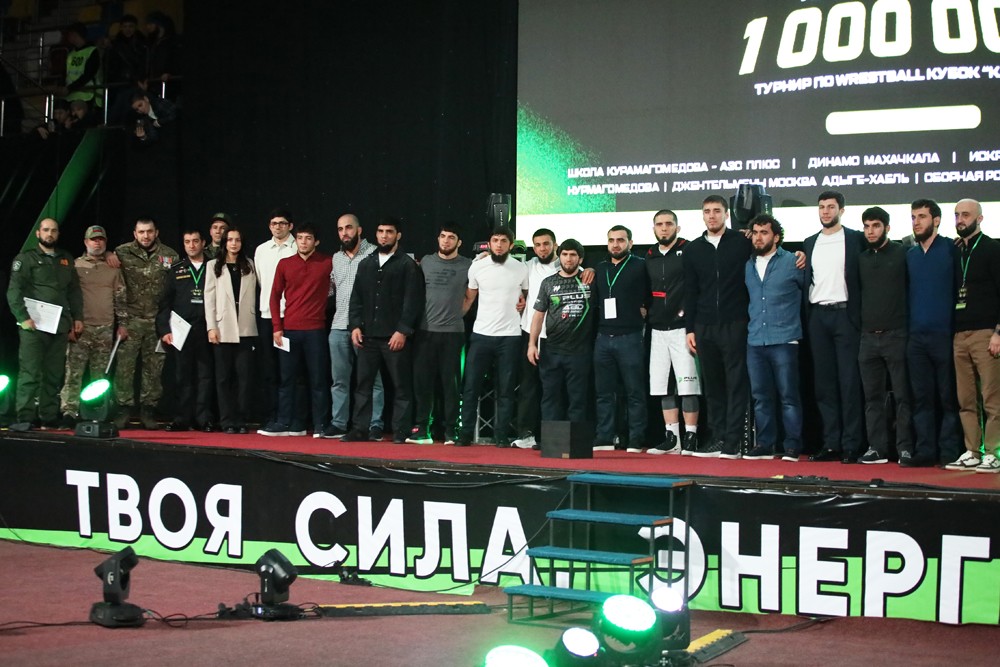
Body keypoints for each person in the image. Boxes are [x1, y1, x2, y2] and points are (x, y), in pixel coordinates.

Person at [343, 217, 424, 444]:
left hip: (394, 336)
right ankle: (360, 429)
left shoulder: (407, 265)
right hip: (368, 336)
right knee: (363, 386)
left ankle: (400, 430)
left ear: (398, 235)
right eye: (380, 231)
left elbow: (413, 301)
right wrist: (355, 326)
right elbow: (356, 299)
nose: (384, 236)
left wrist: (403, 331)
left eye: (389, 231)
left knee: (401, 386)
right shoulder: (366, 263)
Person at [683, 196, 751, 458]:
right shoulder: (693, 250)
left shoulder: (742, 243)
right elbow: (690, 291)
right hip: (704, 326)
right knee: (712, 386)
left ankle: (733, 442)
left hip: (735, 323)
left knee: (736, 384)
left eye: (717, 211)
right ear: (702, 215)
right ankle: (718, 438)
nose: (711, 216)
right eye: (707, 211)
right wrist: (690, 329)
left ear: (726, 214)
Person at [803, 191, 867, 464]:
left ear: (841, 210)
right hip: (818, 317)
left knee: (849, 383)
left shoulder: (855, 239)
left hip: (845, 315)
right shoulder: (810, 242)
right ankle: (831, 443)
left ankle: (852, 444)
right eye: (822, 207)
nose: (826, 211)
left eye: (831, 207)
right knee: (824, 385)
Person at [6, 218, 83, 430]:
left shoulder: (65, 259)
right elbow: (14, 291)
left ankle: (48, 415)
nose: (50, 234)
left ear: (58, 234)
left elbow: (74, 291)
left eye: (54, 230)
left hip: (59, 325)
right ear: (38, 233)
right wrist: (22, 317)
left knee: (54, 373)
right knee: (30, 373)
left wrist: (77, 317)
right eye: (46, 230)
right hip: (33, 325)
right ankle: (25, 416)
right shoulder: (26, 259)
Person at [457, 227, 529, 447]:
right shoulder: (477, 266)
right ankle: (465, 434)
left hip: (510, 336)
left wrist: (524, 303)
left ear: (511, 244)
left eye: (503, 241)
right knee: (471, 387)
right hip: (481, 335)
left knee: (506, 389)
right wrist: (454, 321)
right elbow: (469, 299)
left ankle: (501, 436)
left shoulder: (521, 268)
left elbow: (527, 296)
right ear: (489, 243)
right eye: (495, 240)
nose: (499, 244)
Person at [744, 214, 806, 461]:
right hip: (755, 340)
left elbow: (810, 292)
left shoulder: (792, 261)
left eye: (764, 232)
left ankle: (792, 445)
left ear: (776, 237)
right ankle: (765, 444)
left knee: (788, 397)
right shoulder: (748, 264)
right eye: (755, 233)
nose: (759, 237)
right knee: (761, 397)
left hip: (785, 339)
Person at [906, 199, 962, 467]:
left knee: (948, 397)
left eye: (922, 217)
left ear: (936, 220)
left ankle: (950, 451)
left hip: (945, 334)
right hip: (916, 337)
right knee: (921, 398)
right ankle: (925, 450)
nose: (916, 222)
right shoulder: (910, 254)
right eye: (913, 217)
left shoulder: (952, 249)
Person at [260, 224, 332, 437]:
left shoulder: (327, 263)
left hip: (316, 330)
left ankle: (320, 424)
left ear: (316, 241)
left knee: (318, 380)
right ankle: (285, 423)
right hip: (289, 330)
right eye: (300, 238)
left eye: (308, 238)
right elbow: (273, 296)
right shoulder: (285, 264)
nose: (303, 242)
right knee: (287, 379)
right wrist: (277, 327)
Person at [946, 199, 1000, 473]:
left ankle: (993, 452)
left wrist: (998, 332)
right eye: (957, 215)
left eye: (965, 215)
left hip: (986, 333)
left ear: (979, 218)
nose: (960, 219)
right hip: (959, 334)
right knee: (965, 399)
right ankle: (972, 451)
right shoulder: (957, 251)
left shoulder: (992, 248)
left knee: (991, 397)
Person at [856, 207, 913, 465]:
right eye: (867, 226)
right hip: (867, 338)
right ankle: (876, 448)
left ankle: (905, 448)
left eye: (876, 226)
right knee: (872, 398)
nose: (870, 231)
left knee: (902, 395)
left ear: (887, 228)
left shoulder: (903, 254)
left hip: (896, 335)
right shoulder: (861, 258)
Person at [406, 224, 471, 445]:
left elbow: (471, 296)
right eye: (443, 236)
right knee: (422, 383)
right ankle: (423, 429)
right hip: (425, 333)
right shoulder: (426, 262)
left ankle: (451, 430)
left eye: (451, 237)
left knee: (450, 385)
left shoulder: (468, 265)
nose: (446, 240)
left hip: (452, 334)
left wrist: (457, 314)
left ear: (459, 242)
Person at [324, 214, 385, 440]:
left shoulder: (374, 254)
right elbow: (331, 288)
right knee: (339, 380)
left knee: (373, 380)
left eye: (348, 228)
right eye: (340, 229)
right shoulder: (336, 258)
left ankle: (375, 424)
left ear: (359, 230)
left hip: (366, 328)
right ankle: (339, 423)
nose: (344, 233)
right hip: (339, 325)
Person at [114, 217, 179, 429]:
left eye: (149, 231)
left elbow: (174, 290)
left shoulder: (170, 255)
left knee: (154, 369)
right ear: (135, 233)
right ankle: (123, 409)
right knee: (125, 368)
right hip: (130, 320)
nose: (145, 236)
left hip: (157, 321)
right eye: (141, 232)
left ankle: (148, 410)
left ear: (156, 232)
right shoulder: (122, 252)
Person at [59, 225, 126, 427]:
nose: (97, 243)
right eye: (93, 239)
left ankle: (95, 410)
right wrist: (69, 324)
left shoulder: (113, 268)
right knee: (73, 372)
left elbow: (120, 298)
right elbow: (67, 297)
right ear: (85, 242)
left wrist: (123, 324)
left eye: (101, 239)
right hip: (82, 327)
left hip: (105, 328)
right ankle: (69, 411)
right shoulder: (75, 266)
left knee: (99, 376)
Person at [645, 209, 700, 455]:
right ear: (654, 229)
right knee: (662, 386)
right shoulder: (648, 256)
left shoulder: (690, 250)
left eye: (669, 224)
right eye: (659, 224)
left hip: (683, 329)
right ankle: (672, 438)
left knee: (688, 386)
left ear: (677, 228)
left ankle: (691, 437)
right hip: (657, 330)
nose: (664, 228)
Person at [527, 239, 595, 426]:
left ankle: (576, 439)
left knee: (578, 399)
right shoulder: (548, 282)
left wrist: (593, 270)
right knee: (550, 398)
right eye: (564, 254)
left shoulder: (589, 280)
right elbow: (538, 315)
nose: (568, 259)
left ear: (580, 259)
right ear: (560, 257)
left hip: (580, 351)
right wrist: (532, 344)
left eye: (573, 255)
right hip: (551, 350)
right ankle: (552, 440)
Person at [593, 225, 649, 452]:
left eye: (620, 240)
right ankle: (605, 437)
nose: (615, 244)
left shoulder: (640, 265)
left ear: (630, 243)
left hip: (630, 336)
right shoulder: (600, 267)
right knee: (603, 393)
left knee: (634, 391)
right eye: (611, 240)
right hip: (603, 337)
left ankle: (636, 438)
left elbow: (651, 293)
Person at [156, 229, 214, 432]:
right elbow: (165, 303)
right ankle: (182, 418)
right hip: (182, 330)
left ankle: (203, 419)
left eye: (195, 241)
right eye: (187, 241)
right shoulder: (177, 269)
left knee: (205, 376)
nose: (191, 245)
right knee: (182, 376)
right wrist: (164, 330)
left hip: (207, 328)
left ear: (203, 243)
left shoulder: (214, 267)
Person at [204, 227, 258, 434]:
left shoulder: (250, 264)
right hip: (222, 328)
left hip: (246, 327)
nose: (234, 243)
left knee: (244, 378)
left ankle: (241, 419)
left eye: (237, 240)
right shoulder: (213, 265)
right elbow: (209, 299)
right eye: (230, 240)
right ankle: (227, 420)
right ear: (224, 243)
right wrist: (211, 327)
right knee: (223, 378)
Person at [253, 207, 297, 425]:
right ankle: (272, 416)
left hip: (291, 317)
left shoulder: (298, 247)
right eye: (273, 223)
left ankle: (290, 416)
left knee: (289, 370)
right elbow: (262, 282)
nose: (277, 227)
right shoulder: (261, 250)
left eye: (282, 223)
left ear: (290, 226)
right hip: (267, 317)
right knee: (270, 369)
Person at [60, 22, 103, 111]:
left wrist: (69, 88)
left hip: (88, 96)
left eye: (69, 34)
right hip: (71, 96)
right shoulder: (71, 54)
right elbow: (66, 74)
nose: (67, 37)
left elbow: (88, 75)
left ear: (75, 35)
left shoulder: (92, 51)